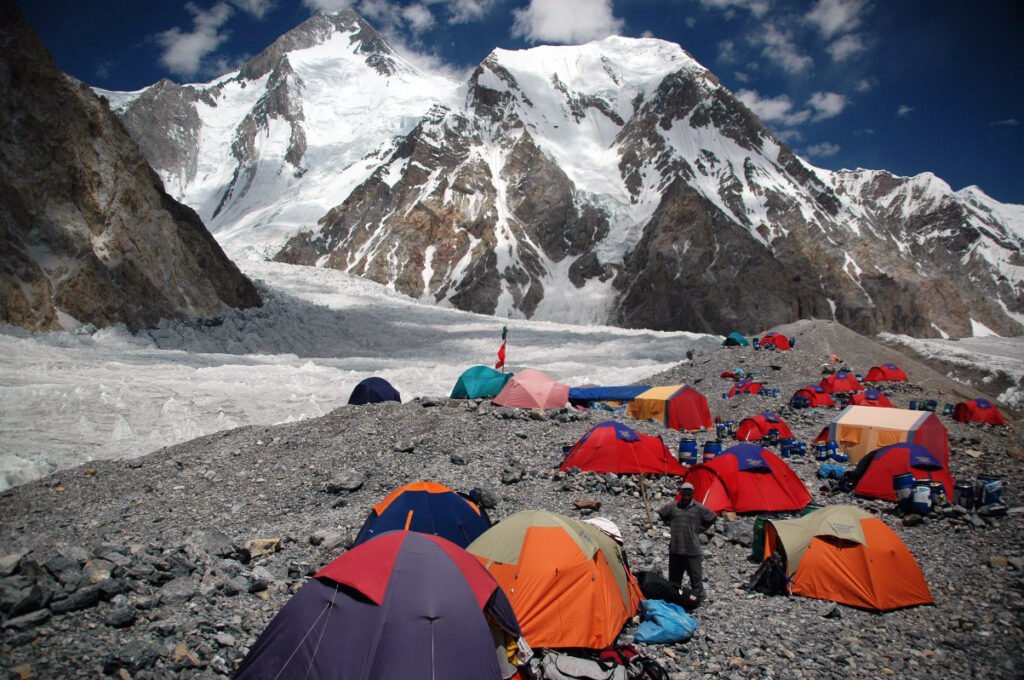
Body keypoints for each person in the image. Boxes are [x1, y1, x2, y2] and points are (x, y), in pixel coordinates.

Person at [657, 482, 716, 598]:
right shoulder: (673, 506)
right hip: (676, 548)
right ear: (680, 493)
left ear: (692, 493)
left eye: (689, 492)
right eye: (684, 491)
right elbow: (662, 513)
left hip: (692, 549)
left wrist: (700, 529)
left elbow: (712, 517)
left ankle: (698, 600)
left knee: (696, 578)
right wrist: (670, 523)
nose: (686, 494)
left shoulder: (699, 508)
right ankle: (675, 598)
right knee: (674, 579)